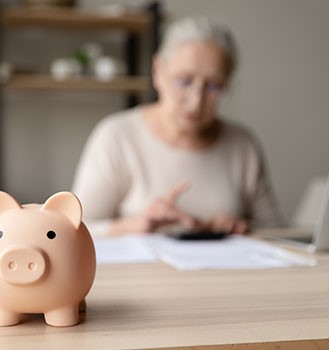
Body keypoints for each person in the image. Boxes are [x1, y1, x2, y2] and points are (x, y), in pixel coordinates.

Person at [72, 16, 283, 237]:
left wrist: (241, 228)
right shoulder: (116, 136)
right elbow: (74, 229)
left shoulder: (242, 143)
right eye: (184, 81)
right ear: (158, 71)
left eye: (214, 86)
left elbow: (276, 232)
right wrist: (134, 226)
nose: (196, 101)